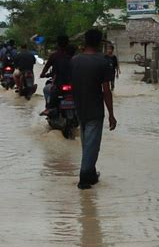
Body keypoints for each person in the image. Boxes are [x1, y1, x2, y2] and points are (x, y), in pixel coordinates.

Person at [70, 29, 117, 190]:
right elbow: (106, 91)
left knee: (86, 143)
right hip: (95, 109)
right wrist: (111, 114)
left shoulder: (75, 60)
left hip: (79, 107)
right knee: (92, 144)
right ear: (99, 43)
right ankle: (84, 177)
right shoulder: (103, 61)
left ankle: (91, 173)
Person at [39, 35, 74, 115]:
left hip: (59, 83)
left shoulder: (55, 56)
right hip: (73, 83)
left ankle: (48, 108)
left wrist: (42, 74)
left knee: (46, 89)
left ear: (57, 44)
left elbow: (47, 67)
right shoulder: (73, 57)